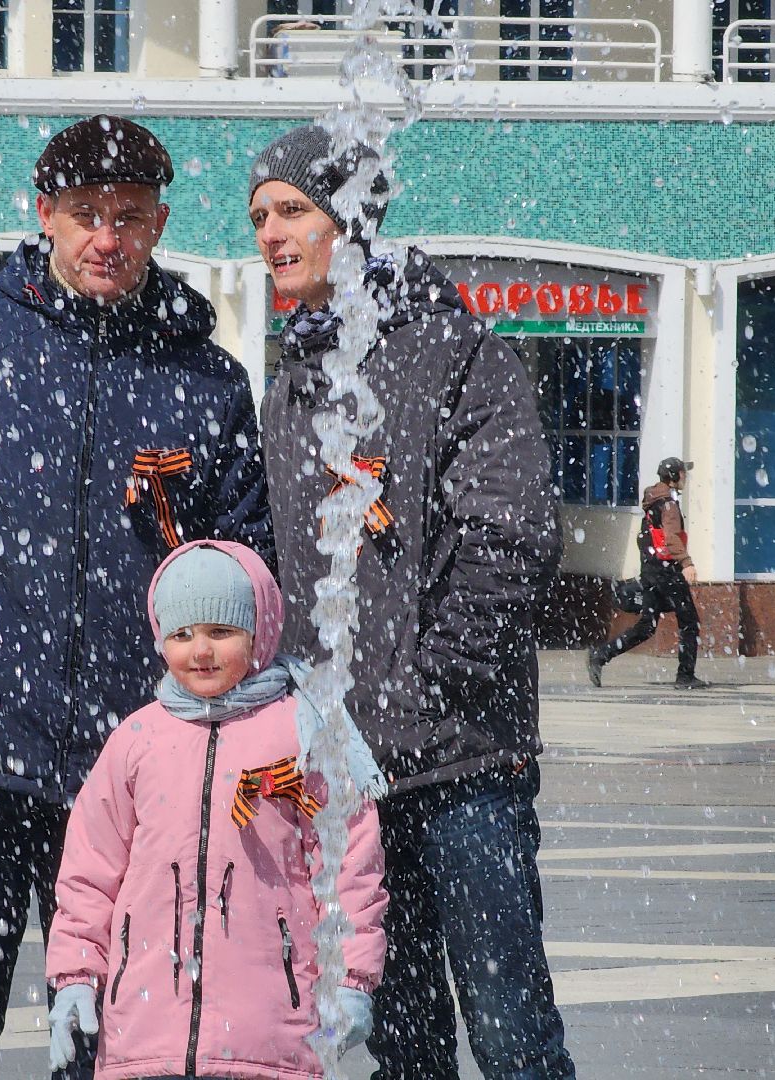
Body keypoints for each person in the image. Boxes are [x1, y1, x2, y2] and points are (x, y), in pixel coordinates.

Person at [0, 115, 274, 1080]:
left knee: (115, 1052)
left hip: (130, 776)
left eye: (129, 217)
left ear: (159, 224)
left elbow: (249, 569)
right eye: (85, 216)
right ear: (45, 216)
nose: (106, 237)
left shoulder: (204, 377)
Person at [249, 123, 577, 1078]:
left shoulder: (457, 354)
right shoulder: (292, 388)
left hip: (464, 764)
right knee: (404, 1047)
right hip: (354, 792)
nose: (271, 232)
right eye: (260, 215)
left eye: (293, 210)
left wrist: (420, 696)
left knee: (514, 1036)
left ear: (348, 220)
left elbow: (510, 541)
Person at [44, 539, 388, 1080]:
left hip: (272, 1030)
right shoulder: (137, 739)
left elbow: (349, 866)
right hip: (145, 1029)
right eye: (182, 635)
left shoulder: (304, 732)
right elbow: (89, 874)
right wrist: (75, 976)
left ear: (260, 633)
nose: (200, 651)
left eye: (220, 632)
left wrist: (349, 981)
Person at [587, 457, 707, 690]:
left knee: (647, 625)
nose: (685, 477)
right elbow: (671, 538)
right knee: (689, 621)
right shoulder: (669, 505)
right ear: (674, 477)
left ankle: (600, 655)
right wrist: (686, 563)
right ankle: (685, 676)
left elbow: (646, 538)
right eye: (683, 473)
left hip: (651, 571)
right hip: (667, 572)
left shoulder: (653, 501)